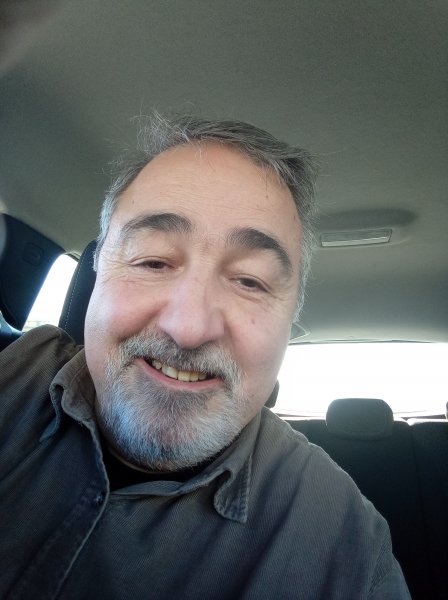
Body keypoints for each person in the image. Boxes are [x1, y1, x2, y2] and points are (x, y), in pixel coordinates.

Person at [0, 113, 410, 599]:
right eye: (153, 261)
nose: (189, 327)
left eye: (250, 281)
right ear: (96, 276)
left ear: (289, 327)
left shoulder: (350, 552)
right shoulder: (12, 371)